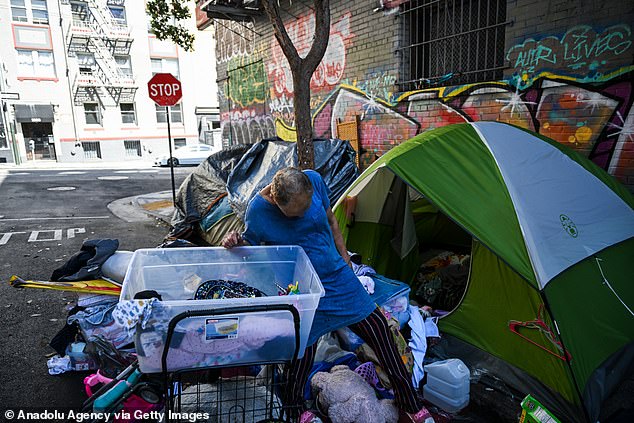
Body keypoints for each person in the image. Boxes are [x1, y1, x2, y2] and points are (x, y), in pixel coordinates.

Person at [223, 167, 434, 423]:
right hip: (303, 291)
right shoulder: (257, 212)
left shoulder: (313, 179)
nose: (303, 213)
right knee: (302, 354)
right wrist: (235, 242)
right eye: (296, 213)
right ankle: (295, 410)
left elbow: (331, 220)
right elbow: (251, 252)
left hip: (337, 278)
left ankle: (408, 402)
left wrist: (345, 260)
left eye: (306, 205)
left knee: (380, 331)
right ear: (277, 203)